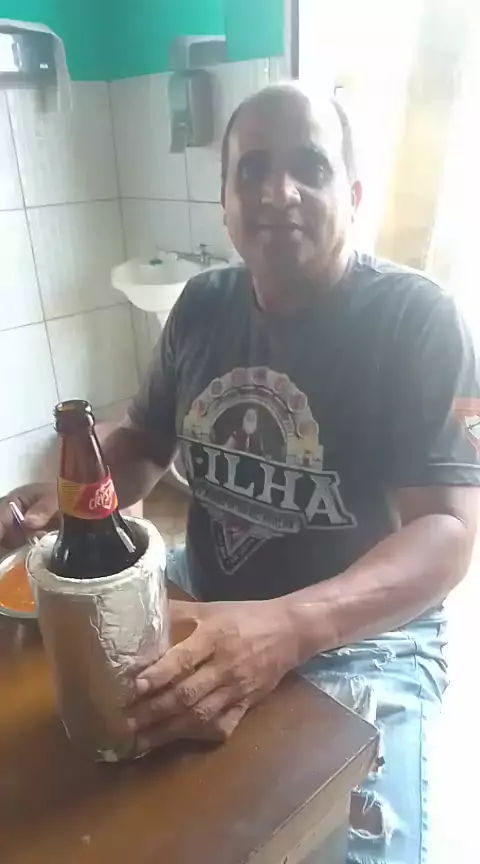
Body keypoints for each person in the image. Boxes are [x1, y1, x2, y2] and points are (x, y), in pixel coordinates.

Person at [1, 84, 479, 863]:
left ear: (354, 195)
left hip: (369, 635)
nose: (277, 192)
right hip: (209, 593)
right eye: (251, 169)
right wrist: (65, 505)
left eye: (310, 167)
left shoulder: (418, 320)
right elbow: (144, 441)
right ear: (224, 204)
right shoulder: (201, 307)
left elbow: (448, 532)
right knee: (101, 779)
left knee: (349, 846)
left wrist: (287, 627)